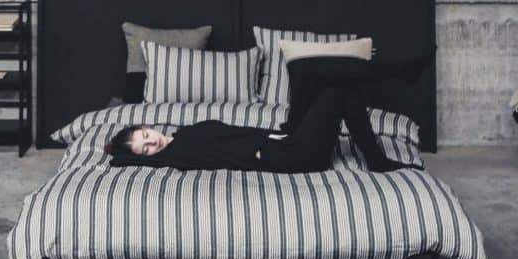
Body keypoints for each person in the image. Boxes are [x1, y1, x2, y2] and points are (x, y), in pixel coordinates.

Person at [107, 54, 431, 173]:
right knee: (339, 92)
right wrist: (118, 151)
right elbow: (122, 159)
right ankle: (376, 158)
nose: (153, 144)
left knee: (304, 69)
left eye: (146, 137)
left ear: (148, 126)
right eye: (146, 149)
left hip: (284, 136)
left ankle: (398, 69)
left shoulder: (180, 134)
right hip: (292, 156)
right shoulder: (176, 155)